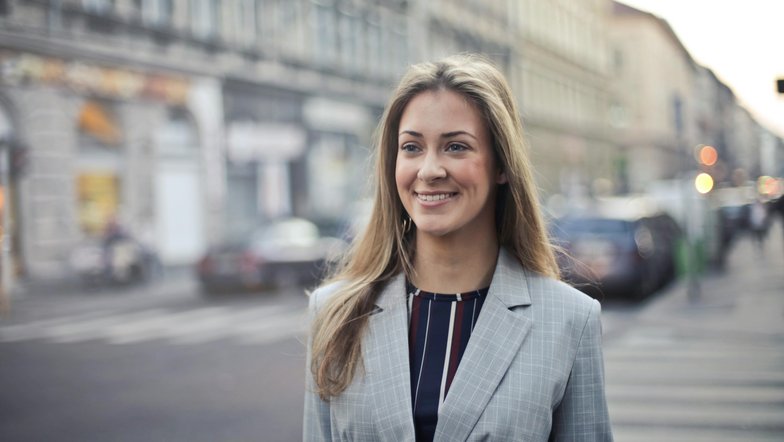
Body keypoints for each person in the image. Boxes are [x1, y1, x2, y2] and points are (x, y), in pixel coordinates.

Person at [304, 54, 613, 441]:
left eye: (455, 147)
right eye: (412, 147)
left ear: (501, 165)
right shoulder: (336, 313)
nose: (430, 170)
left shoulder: (570, 319)